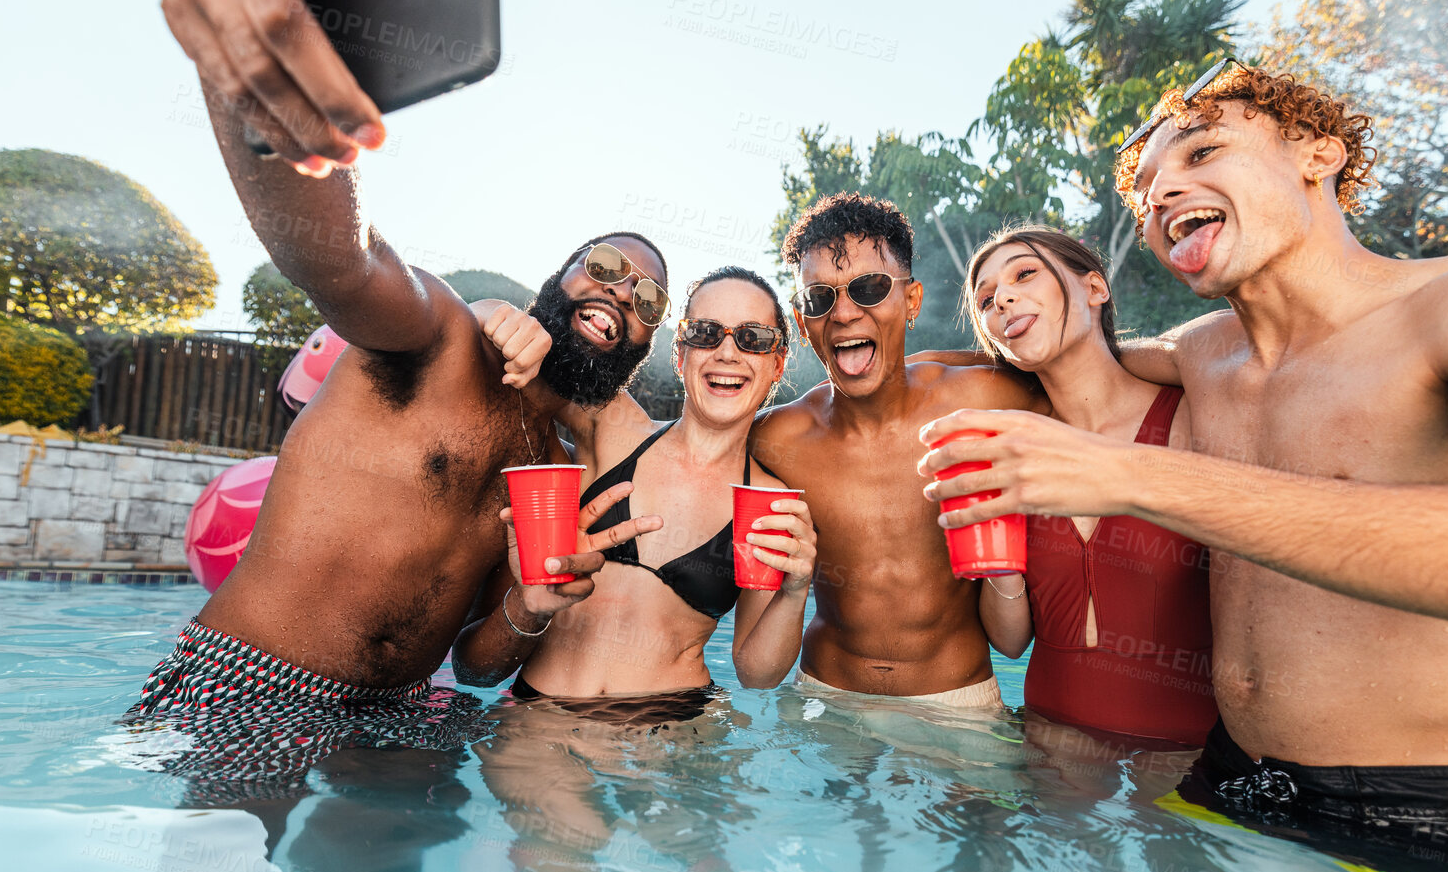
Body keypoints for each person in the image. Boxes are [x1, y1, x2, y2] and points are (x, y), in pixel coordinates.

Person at [920, 60, 1448, 872]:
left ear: (1317, 153)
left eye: (1201, 153)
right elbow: (1074, 359)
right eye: (1144, 189)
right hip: (1234, 784)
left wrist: (1130, 474)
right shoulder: (1202, 353)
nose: (1162, 193)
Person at [127, 0, 663, 784]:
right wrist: (257, 89)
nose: (620, 291)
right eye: (602, 266)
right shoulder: (440, 334)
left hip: (405, 711)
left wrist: (534, 602)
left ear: (640, 350)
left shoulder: (557, 461)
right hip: (257, 679)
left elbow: (479, 663)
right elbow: (336, 258)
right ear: (555, 282)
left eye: (646, 295)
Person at [454, 265, 818, 713]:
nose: (727, 353)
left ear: (776, 362)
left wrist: (795, 591)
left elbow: (756, 674)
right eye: (705, 333)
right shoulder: (612, 426)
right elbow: (505, 357)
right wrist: (488, 308)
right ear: (679, 354)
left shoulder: (769, 504)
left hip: (674, 725)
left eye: (753, 339)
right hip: (544, 714)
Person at [920, 225, 1217, 749]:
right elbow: (1011, 643)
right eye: (986, 300)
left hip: (1186, 756)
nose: (1003, 299)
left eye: (1024, 274)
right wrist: (998, 560)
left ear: (1095, 288)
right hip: (1050, 748)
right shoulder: (1009, 449)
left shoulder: (1192, 415)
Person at [741, 192, 1041, 710]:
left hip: (957, 704)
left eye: (870, 289)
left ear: (912, 301)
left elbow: (1090, 376)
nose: (844, 313)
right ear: (802, 318)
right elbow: (682, 449)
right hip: (824, 703)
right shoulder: (776, 438)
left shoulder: (986, 399)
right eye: (819, 298)